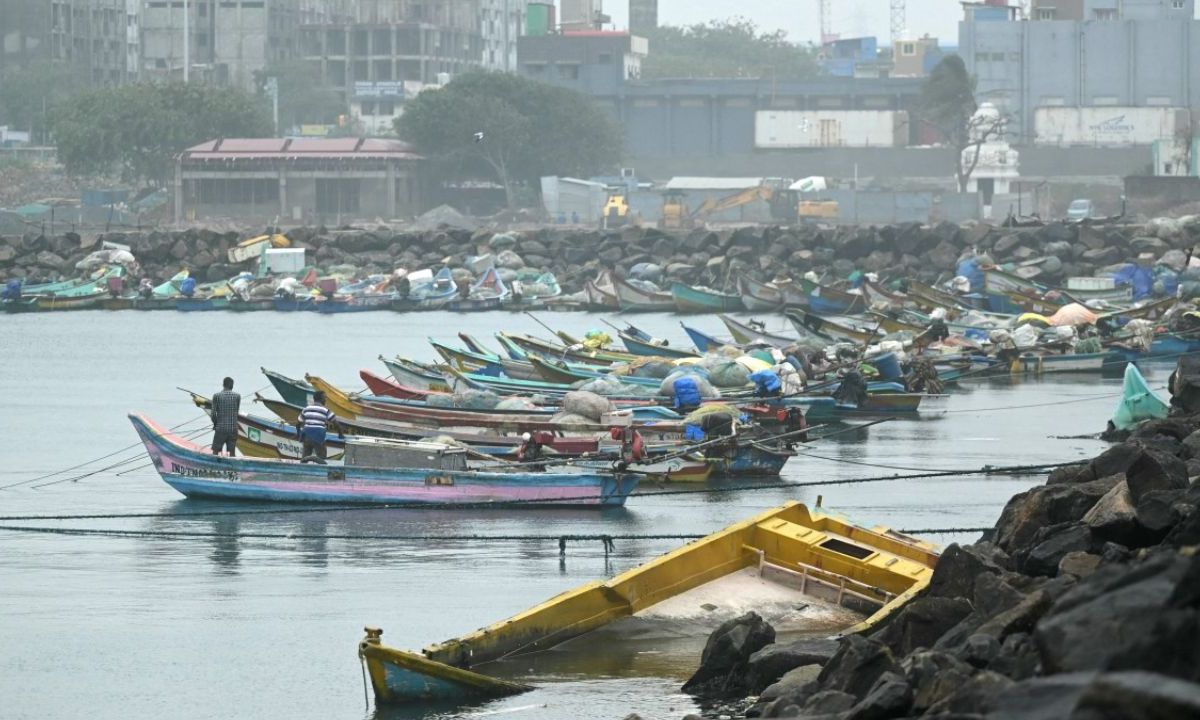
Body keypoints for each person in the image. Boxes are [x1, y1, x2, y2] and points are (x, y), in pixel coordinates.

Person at [296, 391, 340, 464]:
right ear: (321, 399)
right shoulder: (325, 410)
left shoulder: (306, 409)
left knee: (305, 457)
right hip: (318, 436)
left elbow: (298, 424)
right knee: (321, 458)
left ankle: (303, 468)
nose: (326, 400)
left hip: (306, 436)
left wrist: (298, 434)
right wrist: (340, 433)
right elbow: (336, 423)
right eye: (325, 398)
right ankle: (322, 471)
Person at [211, 377, 241, 456]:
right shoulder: (237, 396)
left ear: (223, 385)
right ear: (232, 386)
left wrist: (215, 424)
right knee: (232, 452)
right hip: (233, 429)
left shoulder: (216, 396)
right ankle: (232, 467)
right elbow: (236, 413)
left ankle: (214, 466)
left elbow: (213, 414)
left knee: (216, 451)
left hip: (221, 429)